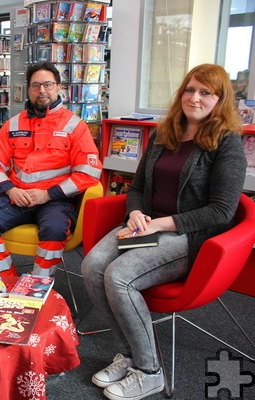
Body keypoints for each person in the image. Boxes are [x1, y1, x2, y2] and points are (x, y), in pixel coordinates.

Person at [81, 63, 247, 400]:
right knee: (92, 265)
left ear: (220, 99)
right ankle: (129, 356)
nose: (195, 98)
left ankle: (149, 371)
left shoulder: (227, 143)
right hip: (147, 224)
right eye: (190, 89)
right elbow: (138, 186)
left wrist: (162, 223)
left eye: (205, 92)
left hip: (190, 236)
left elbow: (222, 211)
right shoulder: (164, 132)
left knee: (119, 276)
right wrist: (136, 212)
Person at [0, 61, 102, 278]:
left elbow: (89, 172)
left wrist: (48, 194)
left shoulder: (75, 126)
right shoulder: (13, 124)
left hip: (55, 199)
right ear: (29, 89)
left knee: (55, 229)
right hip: (17, 195)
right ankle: (6, 280)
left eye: (48, 85)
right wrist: (10, 189)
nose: (42, 91)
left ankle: (38, 285)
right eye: (36, 85)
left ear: (59, 87)